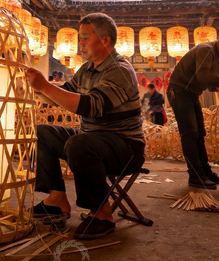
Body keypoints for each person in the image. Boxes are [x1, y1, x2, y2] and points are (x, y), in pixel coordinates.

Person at [25, 13, 144, 240]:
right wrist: (34, 88)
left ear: (105, 40)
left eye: (84, 38)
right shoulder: (87, 69)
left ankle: (102, 213)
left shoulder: (120, 70)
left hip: (126, 147)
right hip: (93, 139)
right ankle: (57, 199)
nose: (80, 44)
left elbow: (91, 106)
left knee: (80, 143)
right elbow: (64, 95)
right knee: (42, 133)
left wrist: (44, 86)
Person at [167, 29, 219, 189]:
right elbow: (204, 77)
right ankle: (195, 176)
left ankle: (205, 172)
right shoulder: (206, 50)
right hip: (179, 91)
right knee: (190, 134)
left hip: (192, 93)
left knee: (199, 134)